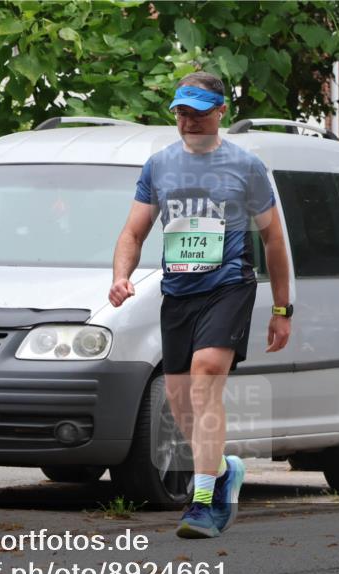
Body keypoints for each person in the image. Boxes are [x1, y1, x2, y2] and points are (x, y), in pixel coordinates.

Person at [108, 72, 292, 538]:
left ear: (220, 112)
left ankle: (204, 501)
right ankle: (223, 470)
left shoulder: (246, 167)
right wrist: (121, 276)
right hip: (179, 293)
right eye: (181, 112)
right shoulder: (159, 165)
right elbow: (133, 232)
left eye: (198, 111)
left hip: (229, 285)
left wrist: (282, 309)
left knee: (206, 373)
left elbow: (273, 238)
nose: (187, 120)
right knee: (180, 400)